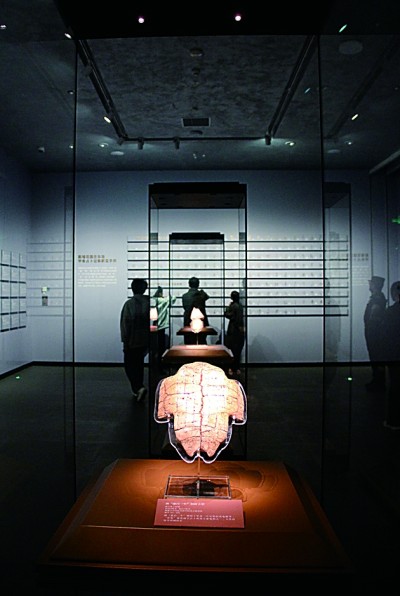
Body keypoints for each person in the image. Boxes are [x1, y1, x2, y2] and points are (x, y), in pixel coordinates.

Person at [120, 278, 150, 402]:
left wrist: (125, 340)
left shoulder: (129, 304)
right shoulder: (148, 303)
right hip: (145, 339)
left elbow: (125, 324)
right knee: (139, 365)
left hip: (132, 340)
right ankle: (139, 387)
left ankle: (138, 387)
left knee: (129, 365)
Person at [381, 281, 400, 430]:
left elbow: (385, 335)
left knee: (395, 387)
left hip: (394, 355)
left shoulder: (391, 312)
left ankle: (394, 421)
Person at [363, 275, 386, 392]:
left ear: (375, 285)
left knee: (376, 357)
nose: (369, 285)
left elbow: (374, 318)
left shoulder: (377, 299)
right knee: (375, 358)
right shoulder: (377, 298)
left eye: (371, 283)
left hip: (375, 335)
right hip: (373, 334)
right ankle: (377, 381)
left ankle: (379, 382)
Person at [153, 286, 176, 373]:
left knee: (155, 348)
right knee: (161, 348)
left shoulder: (154, 300)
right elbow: (173, 298)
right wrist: (167, 295)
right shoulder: (162, 300)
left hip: (155, 325)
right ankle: (160, 367)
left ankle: (156, 367)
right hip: (161, 326)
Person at [181, 276, 209, 345]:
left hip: (188, 320)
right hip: (201, 321)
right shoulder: (201, 295)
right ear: (198, 284)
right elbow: (207, 297)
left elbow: (185, 307)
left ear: (189, 284)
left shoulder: (184, 296)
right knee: (201, 342)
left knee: (188, 343)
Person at [224, 290, 245, 376]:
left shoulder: (233, 306)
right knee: (237, 350)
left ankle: (231, 368)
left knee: (232, 349)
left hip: (233, 329)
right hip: (238, 330)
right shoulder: (240, 306)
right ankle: (236, 368)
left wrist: (226, 310)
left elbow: (228, 315)